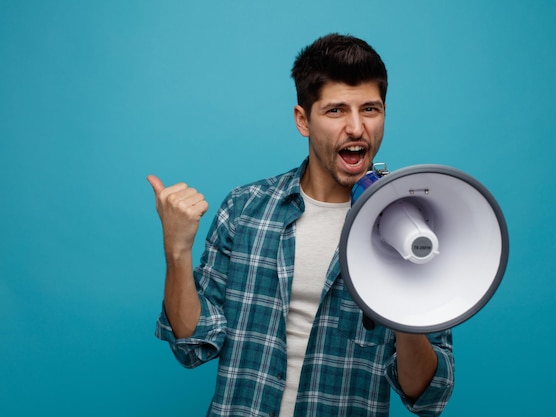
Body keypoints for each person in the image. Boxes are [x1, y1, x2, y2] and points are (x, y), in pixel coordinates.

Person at [147, 33, 454, 417]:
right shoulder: (245, 210)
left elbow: (427, 395)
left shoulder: (417, 229)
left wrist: (404, 291)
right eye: (336, 110)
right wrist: (176, 253)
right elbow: (192, 345)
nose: (357, 128)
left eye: (371, 110)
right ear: (302, 120)